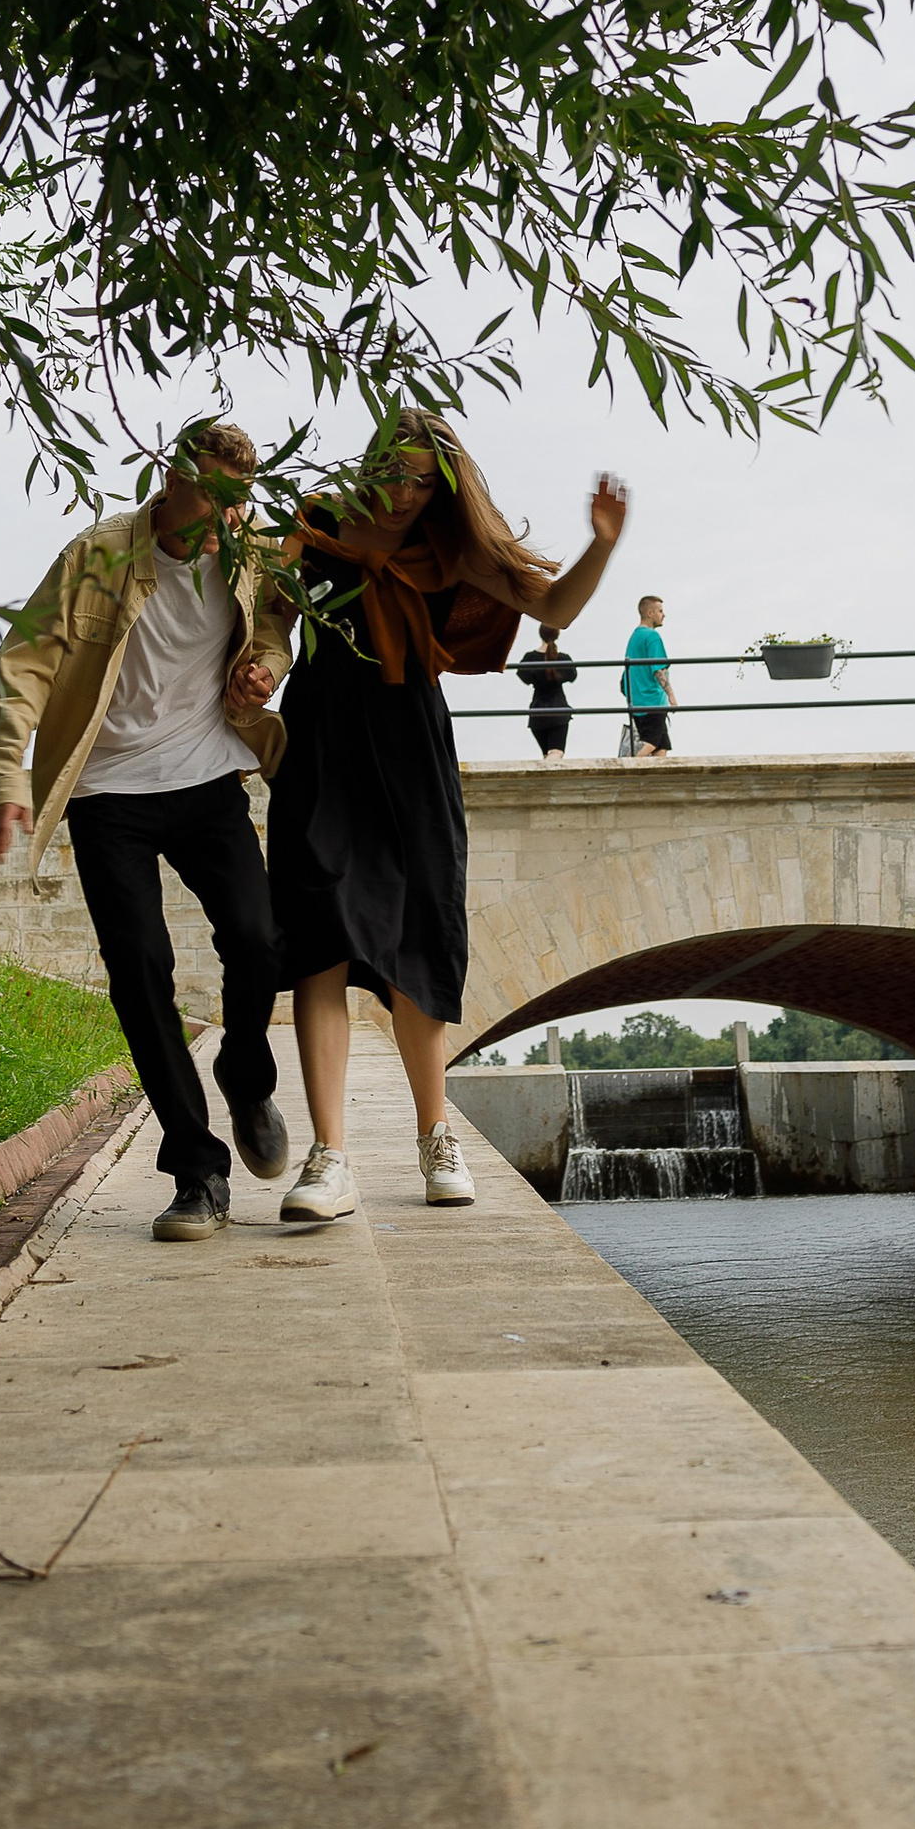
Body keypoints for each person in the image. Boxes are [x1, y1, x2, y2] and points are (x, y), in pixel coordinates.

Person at [268, 414, 626, 1225]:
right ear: (373, 466)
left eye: (425, 480)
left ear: (445, 487)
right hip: (322, 741)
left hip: (410, 750)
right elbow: (272, 617)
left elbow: (554, 606)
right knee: (318, 936)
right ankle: (331, 1158)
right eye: (397, 472)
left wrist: (601, 544)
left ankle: (436, 1136)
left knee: (419, 941)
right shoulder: (315, 523)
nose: (406, 492)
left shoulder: (450, 550)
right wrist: (258, 663)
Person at [0, 416, 293, 1245]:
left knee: (261, 941)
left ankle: (244, 1072)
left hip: (208, 775)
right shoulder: (99, 554)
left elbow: (278, 627)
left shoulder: (248, 546)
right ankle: (198, 1171)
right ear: (173, 475)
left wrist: (266, 666)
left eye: (241, 499)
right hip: (108, 792)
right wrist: (5, 780)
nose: (229, 514)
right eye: (217, 495)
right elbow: (23, 666)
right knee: (140, 969)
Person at [623, 594, 675, 754]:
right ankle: (629, 771)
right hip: (653, 702)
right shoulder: (652, 636)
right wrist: (671, 696)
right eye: (660, 611)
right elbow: (659, 669)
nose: (663, 614)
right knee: (651, 744)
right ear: (650, 613)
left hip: (638, 703)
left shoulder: (634, 637)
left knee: (662, 747)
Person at [517, 624, 577, 758]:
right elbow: (572, 676)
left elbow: (523, 676)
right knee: (556, 753)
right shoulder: (563, 659)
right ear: (557, 635)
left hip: (537, 712)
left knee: (546, 755)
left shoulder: (530, 658)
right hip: (558, 711)